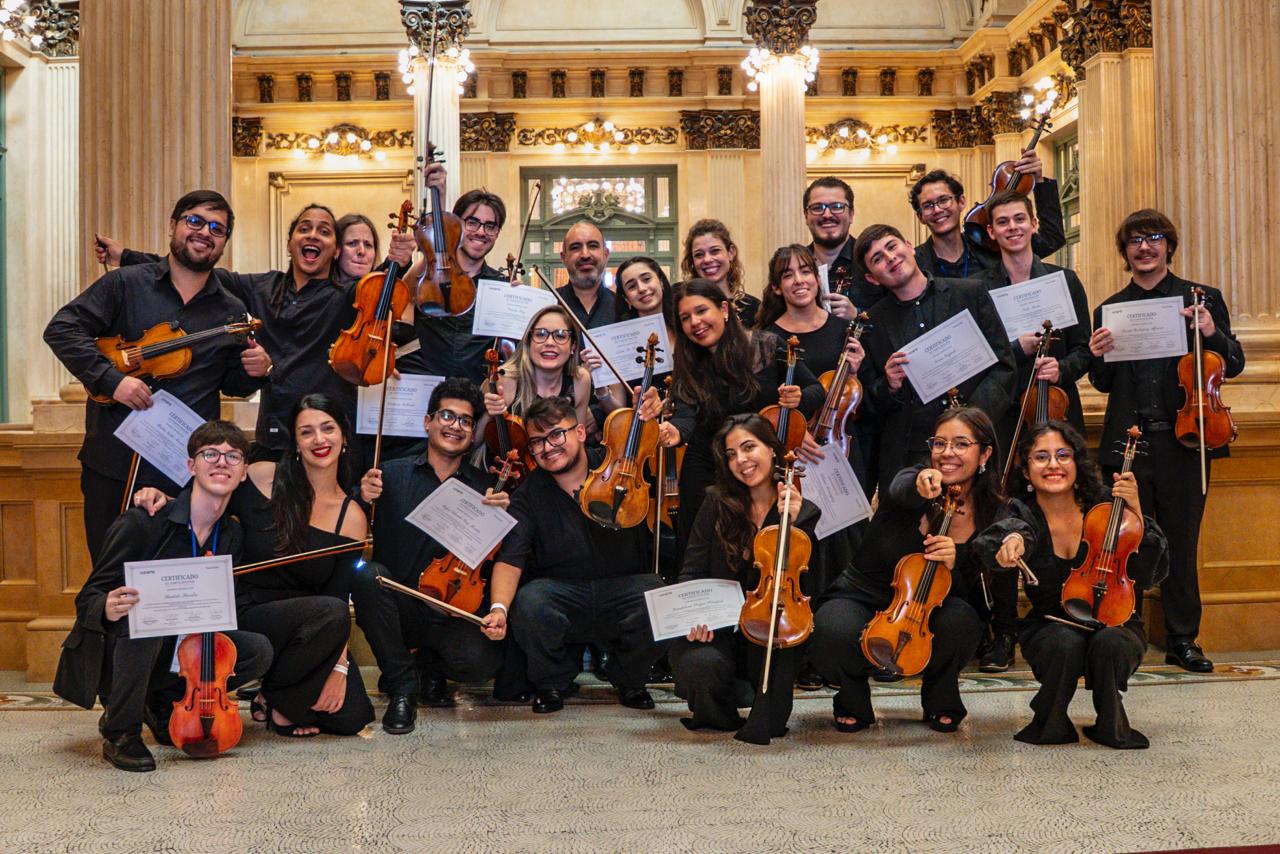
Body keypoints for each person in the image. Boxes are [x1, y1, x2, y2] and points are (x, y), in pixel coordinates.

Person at [98, 197, 419, 463]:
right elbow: (195, 270)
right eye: (304, 229)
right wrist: (124, 256)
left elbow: (377, 293)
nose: (312, 236)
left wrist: (398, 261)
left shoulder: (345, 295)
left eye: (324, 231)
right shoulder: (263, 287)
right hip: (275, 432)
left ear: (335, 250)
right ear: (290, 243)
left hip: (330, 437)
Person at [45, 190, 271, 561]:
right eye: (194, 221)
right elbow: (62, 329)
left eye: (217, 228)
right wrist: (112, 380)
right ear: (173, 225)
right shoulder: (125, 284)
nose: (204, 233)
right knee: (111, 577)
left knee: (175, 583)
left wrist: (256, 372)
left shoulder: (231, 310)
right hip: (115, 462)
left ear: (224, 243)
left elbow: (233, 383)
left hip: (185, 471)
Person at [52, 421, 273, 772]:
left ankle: (163, 702)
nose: (221, 462)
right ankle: (120, 733)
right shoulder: (143, 521)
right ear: (191, 466)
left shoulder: (232, 533)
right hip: (119, 648)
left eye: (233, 456)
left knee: (256, 649)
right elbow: (89, 596)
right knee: (145, 623)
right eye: (210, 453)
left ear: (244, 472)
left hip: (175, 648)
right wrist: (107, 607)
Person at [1088, 209, 1245, 673]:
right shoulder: (1111, 308)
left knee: (1180, 541)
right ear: (1125, 251)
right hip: (1128, 443)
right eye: (1135, 241)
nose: (1145, 247)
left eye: (1154, 238)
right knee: (1126, 540)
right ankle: (1127, 628)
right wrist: (1098, 355)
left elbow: (1232, 364)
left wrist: (1212, 332)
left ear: (1168, 246)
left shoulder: (1202, 299)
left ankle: (1182, 638)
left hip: (1187, 441)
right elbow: (1102, 382)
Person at [974, 421, 1169, 748]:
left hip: (1116, 616)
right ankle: (1049, 721)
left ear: (1078, 463)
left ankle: (1112, 720)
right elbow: (1008, 531)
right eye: (1041, 457)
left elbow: (1153, 570)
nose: (1053, 464)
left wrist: (1135, 510)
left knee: (1111, 643)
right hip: (1051, 622)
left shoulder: (1108, 506)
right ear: (1026, 470)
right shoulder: (1022, 510)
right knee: (1065, 643)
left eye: (1063, 455)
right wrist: (1011, 541)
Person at [809, 407, 1003, 734]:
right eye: (939, 444)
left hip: (926, 607)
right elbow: (901, 486)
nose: (947, 453)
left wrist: (955, 561)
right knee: (832, 628)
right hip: (864, 594)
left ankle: (941, 697)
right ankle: (852, 695)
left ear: (984, 453)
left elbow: (969, 586)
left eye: (960, 444)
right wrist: (919, 483)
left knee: (963, 622)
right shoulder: (914, 479)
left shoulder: (990, 509)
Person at [971, 189, 1093, 672]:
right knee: (1002, 519)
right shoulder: (981, 287)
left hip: (1056, 412)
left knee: (1064, 517)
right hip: (1004, 419)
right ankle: (1002, 631)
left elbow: (1085, 349)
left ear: (1033, 223)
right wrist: (1016, 349)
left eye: (1020, 219)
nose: (1013, 228)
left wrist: (1061, 368)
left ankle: (1063, 617)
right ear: (992, 232)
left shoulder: (1064, 279)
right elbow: (977, 353)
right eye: (1003, 222)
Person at [355, 378, 517, 735]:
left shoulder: (484, 487)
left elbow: (507, 552)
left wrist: (502, 515)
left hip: (452, 610)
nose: (454, 426)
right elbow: (348, 521)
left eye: (465, 420)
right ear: (428, 421)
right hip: (400, 607)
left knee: (479, 662)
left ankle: (428, 667)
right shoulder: (389, 475)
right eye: (446, 415)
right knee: (367, 576)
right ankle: (402, 686)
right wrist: (361, 495)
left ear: (474, 433)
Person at [488, 396, 664, 714]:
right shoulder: (529, 494)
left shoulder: (620, 467)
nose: (547, 447)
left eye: (556, 434)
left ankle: (630, 680)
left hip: (621, 588)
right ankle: (552, 683)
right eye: (537, 441)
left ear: (580, 432)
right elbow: (510, 558)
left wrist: (659, 423)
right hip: (562, 593)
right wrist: (498, 608)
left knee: (659, 596)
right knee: (530, 601)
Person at [669, 414, 821, 743]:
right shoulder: (716, 501)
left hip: (770, 627)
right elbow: (693, 568)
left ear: (771, 449)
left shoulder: (801, 509)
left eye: (749, 447)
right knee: (700, 665)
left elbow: (813, 583)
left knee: (773, 716)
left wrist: (792, 524)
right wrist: (695, 615)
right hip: (721, 626)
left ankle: (760, 707)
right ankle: (720, 712)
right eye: (731, 453)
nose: (741, 460)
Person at [644, 279, 825, 554]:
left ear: (724, 309)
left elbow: (815, 389)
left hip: (760, 464)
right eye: (685, 317)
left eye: (701, 310)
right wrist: (675, 432)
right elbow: (685, 414)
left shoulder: (766, 345)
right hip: (708, 466)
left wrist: (800, 398)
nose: (695, 322)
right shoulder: (687, 362)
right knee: (703, 547)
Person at [852, 224, 1017, 496]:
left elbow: (1005, 366)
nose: (890, 258)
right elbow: (867, 404)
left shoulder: (970, 293)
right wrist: (889, 385)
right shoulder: (872, 324)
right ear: (872, 278)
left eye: (892, 247)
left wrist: (969, 425)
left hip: (977, 446)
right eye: (877, 259)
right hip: (913, 456)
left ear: (909, 247)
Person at [407, 179, 514, 385]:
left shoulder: (501, 287)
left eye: (490, 226)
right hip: (425, 394)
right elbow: (400, 296)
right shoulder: (427, 276)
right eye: (472, 222)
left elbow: (511, 357)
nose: (481, 232)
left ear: (497, 233)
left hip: (476, 400)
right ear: (457, 224)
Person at [909, 153, 1065, 279]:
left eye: (944, 200)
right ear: (920, 217)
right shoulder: (913, 262)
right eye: (928, 205)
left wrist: (1038, 181)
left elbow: (1051, 239)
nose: (937, 210)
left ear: (961, 202)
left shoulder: (990, 244)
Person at [481, 305, 596, 438]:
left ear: (573, 347)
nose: (550, 342)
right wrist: (488, 414)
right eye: (541, 334)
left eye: (560, 336)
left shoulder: (580, 380)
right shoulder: (503, 379)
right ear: (529, 343)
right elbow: (472, 444)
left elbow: (578, 441)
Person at [802, 176, 881, 318]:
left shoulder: (874, 261)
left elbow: (898, 318)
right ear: (806, 216)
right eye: (817, 208)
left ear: (851, 214)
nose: (827, 214)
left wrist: (857, 314)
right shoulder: (794, 265)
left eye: (837, 207)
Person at [681, 219, 760, 326]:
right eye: (699, 254)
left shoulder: (753, 307)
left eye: (715, 251)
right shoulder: (685, 307)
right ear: (692, 262)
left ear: (731, 252)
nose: (707, 259)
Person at [556, 220, 617, 330]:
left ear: (606, 254)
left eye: (593, 246)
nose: (585, 255)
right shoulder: (547, 303)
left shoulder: (624, 306)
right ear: (563, 258)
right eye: (575, 247)